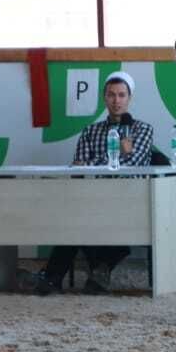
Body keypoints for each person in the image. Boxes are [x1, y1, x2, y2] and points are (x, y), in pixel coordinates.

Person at [31, 72, 153, 295]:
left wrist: (95, 164)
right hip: (93, 197)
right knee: (75, 219)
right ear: (104, 98)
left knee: (82, 220)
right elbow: (79, 169)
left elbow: (133, 164)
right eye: (111, 95)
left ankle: (53, 277)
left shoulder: (142, 129)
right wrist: (115, 156)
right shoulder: (91, 131)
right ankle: (96, 269)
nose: (116, 100)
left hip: (129, 199)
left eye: (121, 95)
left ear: (130, 98)